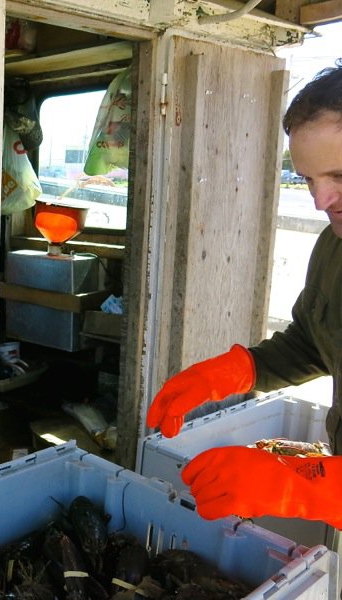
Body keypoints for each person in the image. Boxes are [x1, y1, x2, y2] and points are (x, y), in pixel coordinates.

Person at [146, 61, 342, 529]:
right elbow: (315, 343)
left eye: (339, 175)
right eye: (308, 179)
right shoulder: (333, 244)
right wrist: (236, 370)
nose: (321, 201)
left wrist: (300, 486)